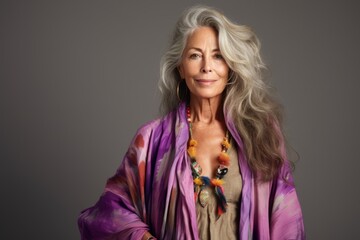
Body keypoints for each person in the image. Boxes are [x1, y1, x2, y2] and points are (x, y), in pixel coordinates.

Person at [78, 5, 305, 240]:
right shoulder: (152, 140)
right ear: (181, 67)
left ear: (230, 67)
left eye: (218, 56)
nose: (206, 66)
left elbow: (287, 223)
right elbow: (108, 211)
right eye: (195, 55)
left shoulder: (258, 133)